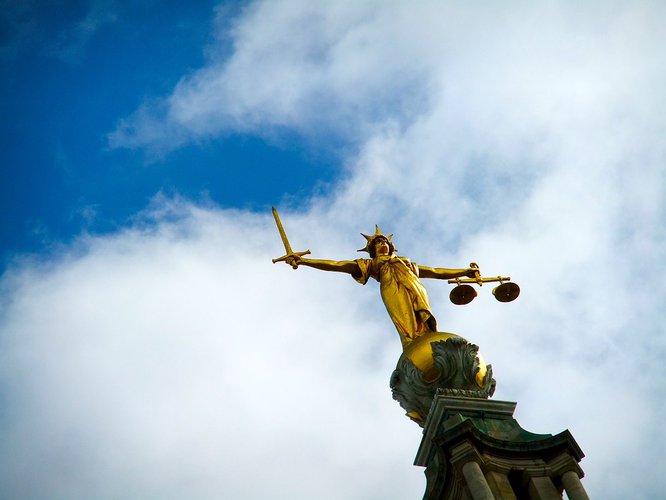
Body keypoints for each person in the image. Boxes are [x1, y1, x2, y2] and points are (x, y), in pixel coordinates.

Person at [285, 226, 478, 348]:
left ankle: (427, 340)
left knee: (424, 321)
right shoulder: (372, 265)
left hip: (416, 289)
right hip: (393, 290)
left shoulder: (406, 262)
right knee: (406, 327)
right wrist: (304, 261)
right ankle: (412, 346)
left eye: (385, 241)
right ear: (372, 250)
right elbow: (337, 265)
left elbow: (436, 271)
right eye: (378, 243)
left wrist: (463, 272)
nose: (382, 244)